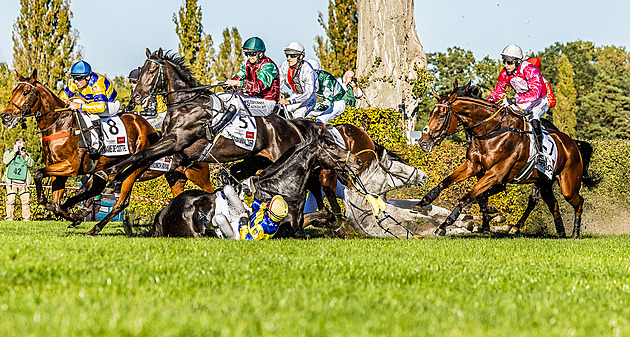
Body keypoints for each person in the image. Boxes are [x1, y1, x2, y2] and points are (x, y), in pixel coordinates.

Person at [210, 37, 281, 138]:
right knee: (219, 95)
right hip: (254, 99)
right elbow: (236, 78)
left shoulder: (268, 66)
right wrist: (224, 83)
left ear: (260, 54)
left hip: (267, 103)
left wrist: (238, 83)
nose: (249, 57)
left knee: (237, 103)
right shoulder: (247, 65)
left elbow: (258, 86)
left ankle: (216, 130)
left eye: (252, 54)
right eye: (247, 54)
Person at [487, 44, 547, 155]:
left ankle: (540, 152)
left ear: (518, 61)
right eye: (504, 61)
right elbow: (498, 91)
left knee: (534, 118)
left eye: (509, 62)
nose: (506, 65)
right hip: (521, 101)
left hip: (539, 101)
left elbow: (535, 93)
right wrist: (488, 102)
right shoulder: (504, 73)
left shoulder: (530, 70)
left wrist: (514, 100)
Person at [60, 60, 121, 154]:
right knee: (77, 104)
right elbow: (64, 96)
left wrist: (80, 106)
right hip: (93, 104)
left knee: (87, 110)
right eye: (74, 78)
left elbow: (101, 106)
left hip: (110, 105)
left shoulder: (97, 83)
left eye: (78, 78)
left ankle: (98, 143)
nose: (75, 82)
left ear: (87, 77)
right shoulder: (75, 82)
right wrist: (65, 100)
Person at [211, 184, 288, 240]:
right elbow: (252, 203)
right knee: (228, 189)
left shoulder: (263, 227)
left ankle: (211, 227)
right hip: (243, 217)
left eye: (269, 204)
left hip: (237, 235)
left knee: (219, 218)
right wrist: (249, 195)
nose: (267, 204)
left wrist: (243, 224)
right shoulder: (267, 210)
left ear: (270, 211)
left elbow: (246, 241)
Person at [278, 42, 318, 118]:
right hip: (295, 95)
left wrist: (290, 101)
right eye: (287, 55)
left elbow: (307, 93)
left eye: (292, 56)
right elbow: (280, 81)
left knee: (298, 115)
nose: (289, 58)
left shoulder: (308, 70)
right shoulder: (284, 65)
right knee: (280, 110)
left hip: (309, 98)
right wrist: (278, 93)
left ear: (301, 57)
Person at [305, 59, 347, 124]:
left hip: (336, 103)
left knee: (320, 120)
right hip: (328, 103)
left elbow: (327, 104)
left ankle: (333, 134)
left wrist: (310, 108)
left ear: (318, 71)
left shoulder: (327, 80)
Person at [2, 139, 34, 221]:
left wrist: (25, 156)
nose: (20, 148)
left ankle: (26, 219)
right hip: (11, 182)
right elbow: (5, 161)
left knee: (26, 202)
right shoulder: (9, 152)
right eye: (19, 146)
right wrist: (14, 152)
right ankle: (9, 218)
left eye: (22, 146)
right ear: (15, 145)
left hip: (23, 182)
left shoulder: (26, 154)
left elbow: (31, 164)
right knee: (10, 201)